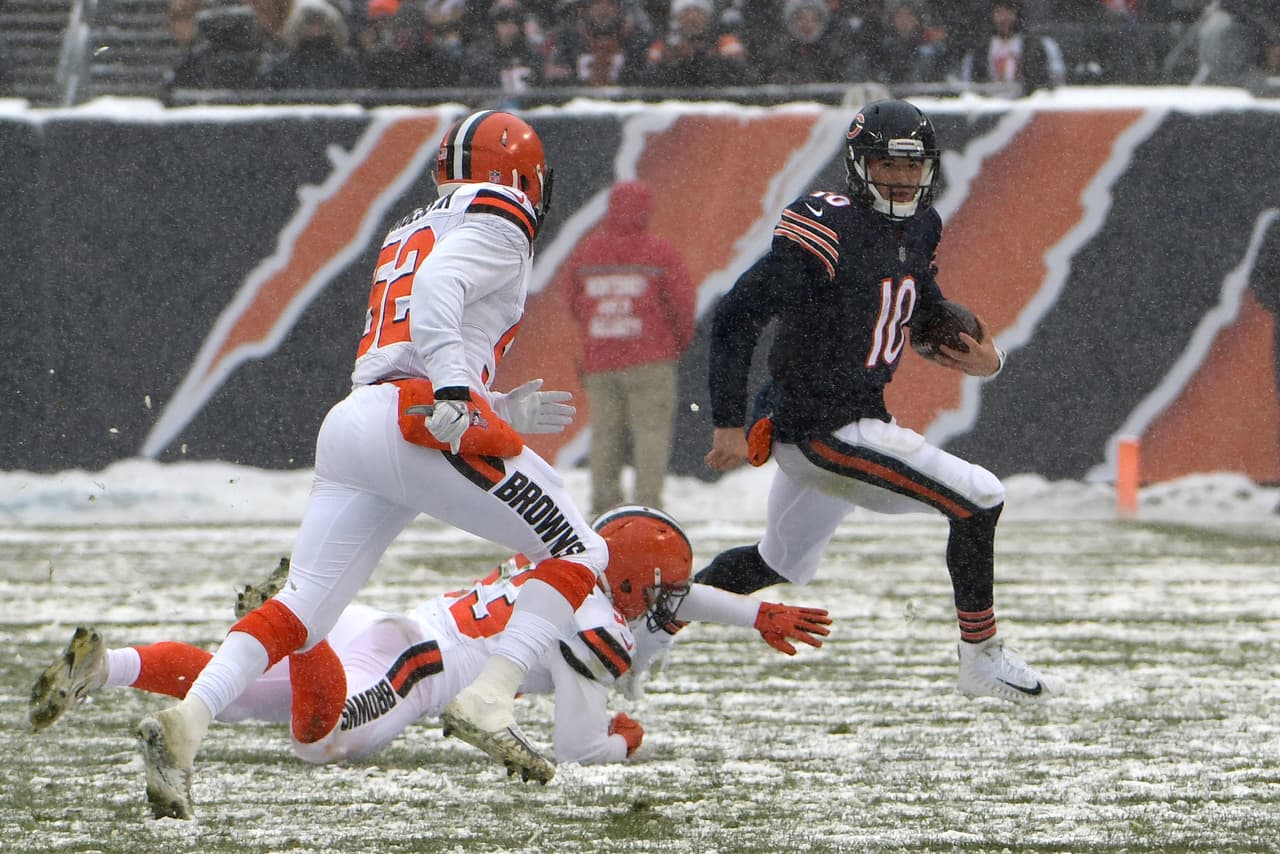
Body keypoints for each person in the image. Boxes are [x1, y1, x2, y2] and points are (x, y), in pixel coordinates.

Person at [131, 111, 613, 820]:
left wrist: (494, 402)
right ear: (519, 174)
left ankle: (189, 722)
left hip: (358, 419)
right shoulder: (500, 212)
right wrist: (458, 387)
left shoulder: (414, 223)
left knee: (303, 607)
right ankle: (489, 695)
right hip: (418, 417)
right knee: (580, 547)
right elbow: (436, 300)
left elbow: (415, 330)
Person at [696, 98, 1063, 706]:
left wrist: (984, 358)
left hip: (846, 418)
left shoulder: (920, 226)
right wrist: (727, 422)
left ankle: (646, 625)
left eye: (912, 166)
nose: (900, 178)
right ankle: (981, 658)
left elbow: (916, 303)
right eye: (885, 164)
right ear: (857, 164)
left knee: (778, 559)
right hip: (825, 426)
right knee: (979, 499)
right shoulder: (829, 225)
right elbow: (737, 316)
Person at [31, 508, 830, 770]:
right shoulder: (594, 623)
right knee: (321, 745)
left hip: (396, 628)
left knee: (234, 696)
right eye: (655, 593)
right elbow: (579, 743)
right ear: (625, 587)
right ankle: (301, 634)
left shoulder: (576, 571)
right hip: (414, 668)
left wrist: (748, 611)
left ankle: (109, 666)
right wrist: (626, 739)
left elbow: (672, 597)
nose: (668, 606)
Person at [562, 180, 697, 516]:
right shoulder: (659, 253)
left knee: (605, 435)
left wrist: (600, 336)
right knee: (650, 434)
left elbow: (574, 302)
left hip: (601, 361)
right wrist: (675, 343)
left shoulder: (587, 252)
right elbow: (681, 304)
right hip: (650, 360)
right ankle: (648, 505)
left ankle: (603, 503)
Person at [955, 0, 1065, 92]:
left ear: (1017, 14)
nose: (1004, 18)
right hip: (989, 104)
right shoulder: (979, 49)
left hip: (1027, 102)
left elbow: (1056, 81)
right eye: (999, 12)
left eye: (1009, 12)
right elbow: (968, 84)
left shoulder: (1039, 45)